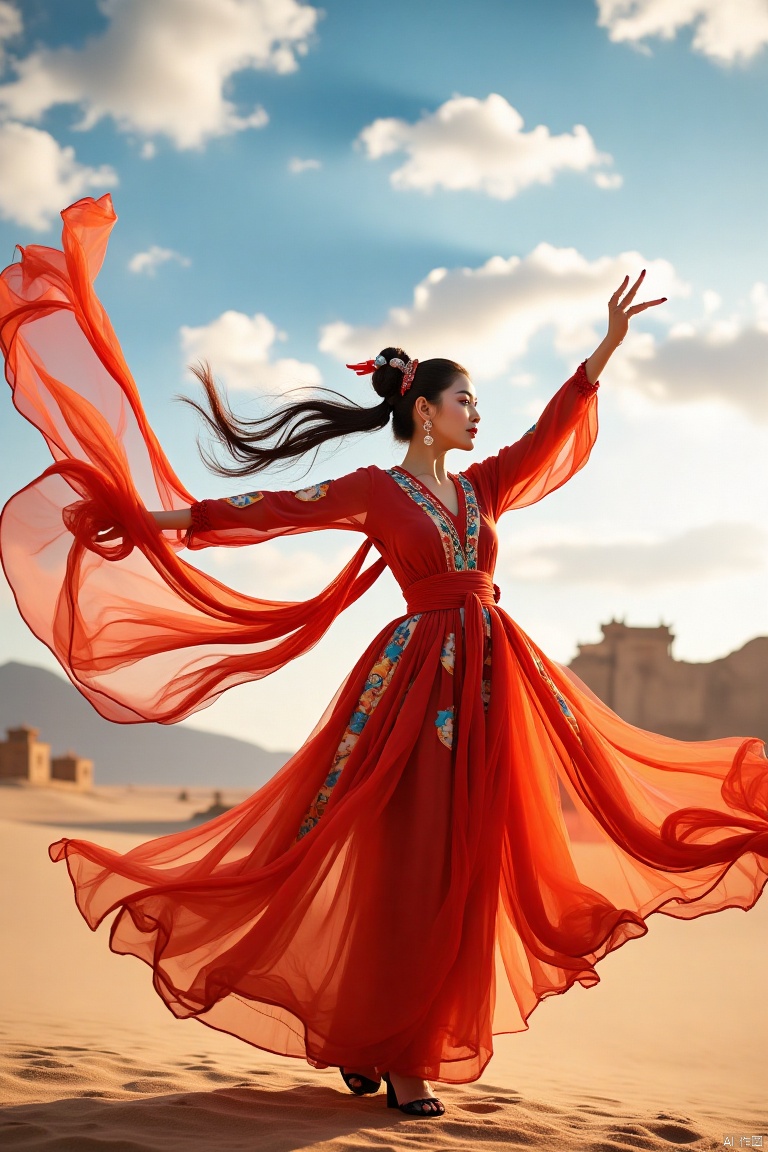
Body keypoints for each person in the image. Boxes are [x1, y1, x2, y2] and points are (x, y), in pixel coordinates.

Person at [1, 195, 766, 1121]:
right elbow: (264, 513)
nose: (478, 414)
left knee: (464, 870)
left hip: (492, 687)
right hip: (413, 687)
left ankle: (380, 1032)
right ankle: (397, 1051)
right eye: (465, 400)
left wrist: (604, 348)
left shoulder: (485, 488)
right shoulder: (374, 489)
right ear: (425, 413)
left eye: (477, 401)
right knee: (404, 861)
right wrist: (147, 517)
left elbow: (555, 431)